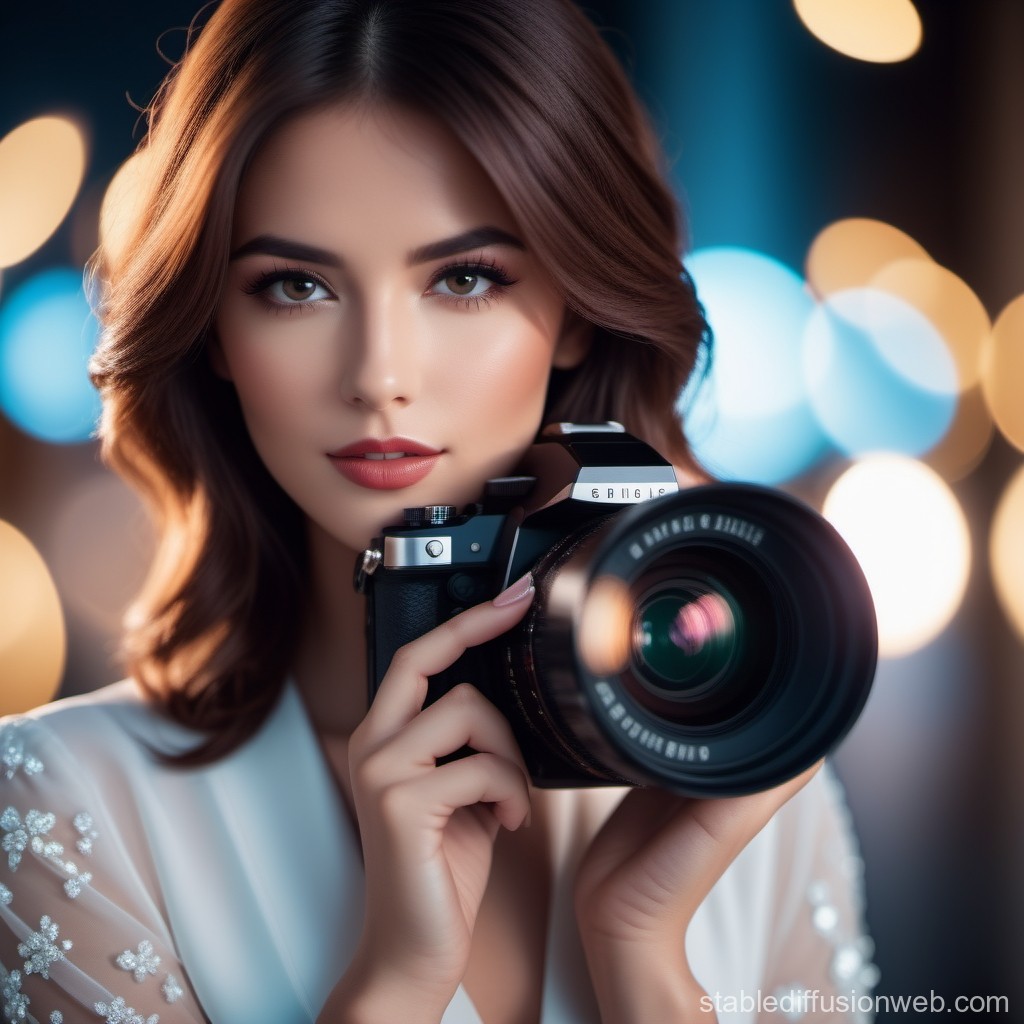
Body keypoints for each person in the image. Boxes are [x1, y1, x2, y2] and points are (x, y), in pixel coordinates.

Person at [0, 1, 878, 1021]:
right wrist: (394, 985)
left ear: (576, 315)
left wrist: (640, 943)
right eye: (293, 286)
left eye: (464, 278)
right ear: (211, 335)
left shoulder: (762, 805)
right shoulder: (66, 808)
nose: (381, 376)